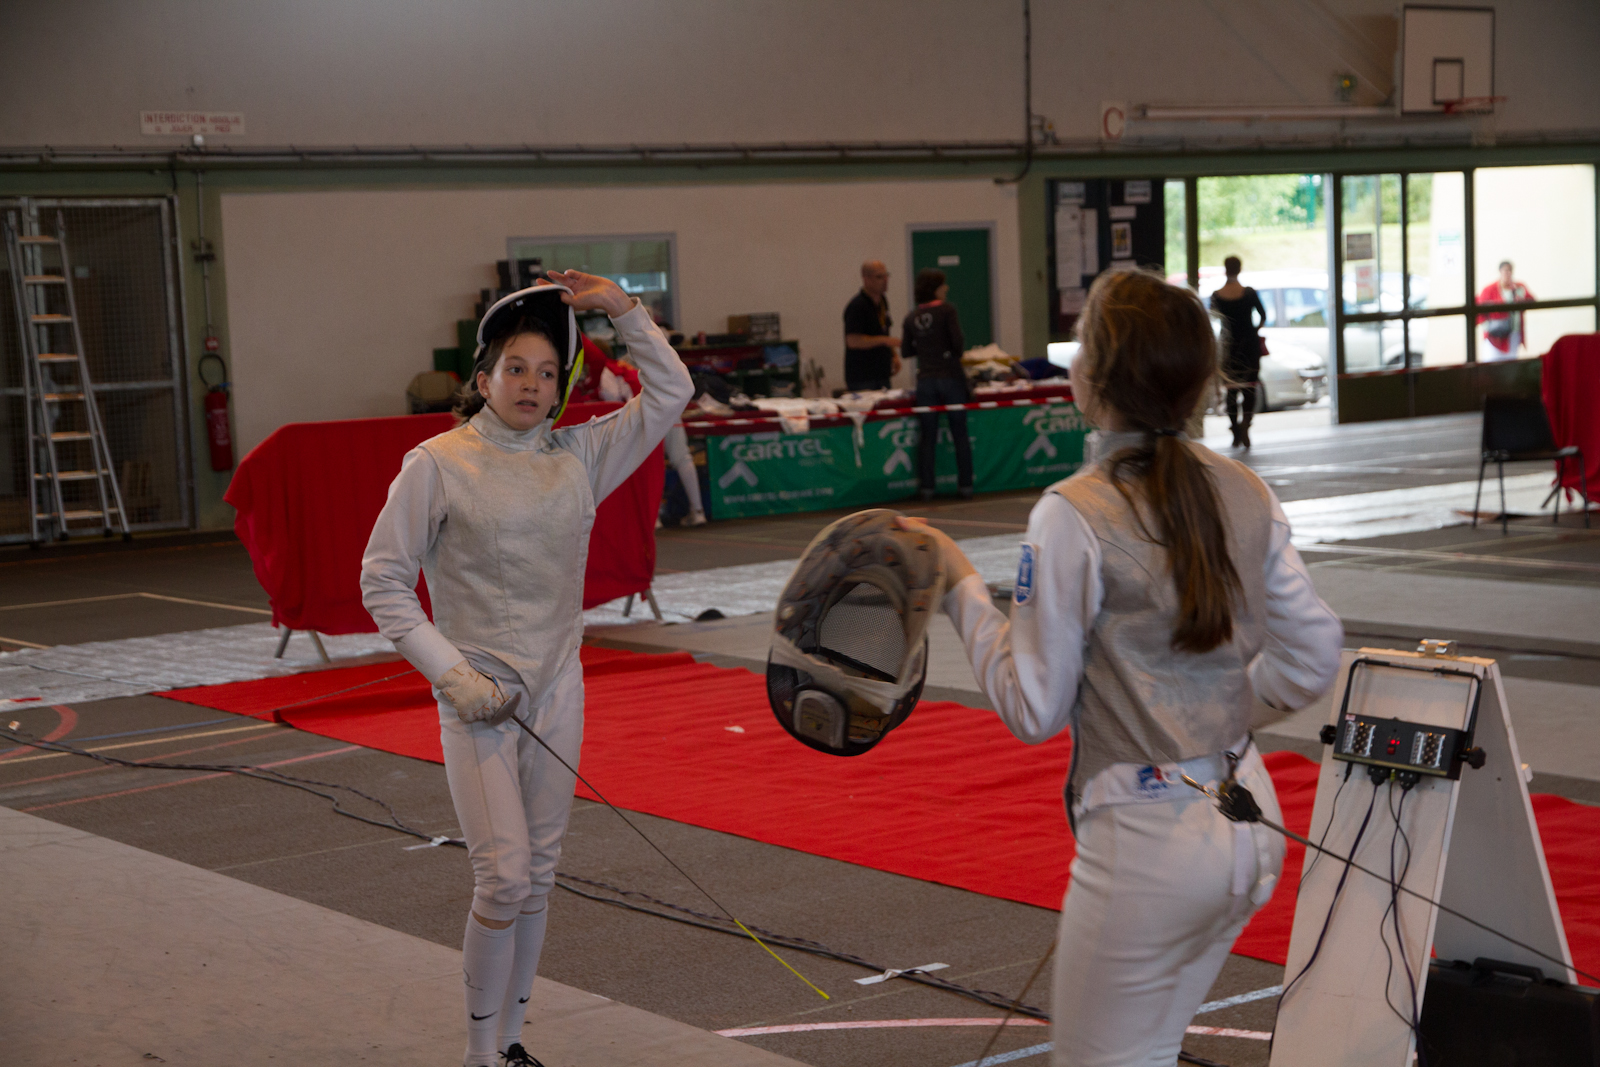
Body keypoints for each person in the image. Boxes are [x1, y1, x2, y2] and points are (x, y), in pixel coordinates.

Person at [910, 269, 1342, 1067]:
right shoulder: (1246, 488)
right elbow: (1313, 655)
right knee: (1145, 1051)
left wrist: (959, 586)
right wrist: (1212, 714)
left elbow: (1034, 706)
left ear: (1096, 375)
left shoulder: (1072, 510)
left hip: (1151, 845)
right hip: (1248, 825)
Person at [360, 270, 693, 1067]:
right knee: (504, 877)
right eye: (516, 368)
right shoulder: (436, 463)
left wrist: (624, 311)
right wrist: (451, 675)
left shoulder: (579, 455)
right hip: (476, 696)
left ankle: (509, 1045)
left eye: (547, 372)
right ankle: (480, 1055)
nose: (532, 384)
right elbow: (382, 579)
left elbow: (672, 391)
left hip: (557, 688)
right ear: (484, 378)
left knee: (538, 875)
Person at [902, 267, 973, 501]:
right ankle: (965, 485)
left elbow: (906, 350)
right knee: (959, 433)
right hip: (950, 376)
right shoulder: (947, 311)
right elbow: (958, 343)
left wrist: (926, 348)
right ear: (935, 288)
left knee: (927, 435)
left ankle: (927, 488)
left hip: (926, 378)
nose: (946, 288)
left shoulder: (911, 317)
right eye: (943, 285)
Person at [1208, 256, 1267, 449]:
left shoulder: (1217, 295)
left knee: (1231, 390)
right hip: (1249, 346)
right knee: (1250, 388)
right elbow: (1263, 316)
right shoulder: (1249, 293)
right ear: (1240, 269)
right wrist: (1253, 332)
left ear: (1225, 269)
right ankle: (1245, 426)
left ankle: (1235, 430)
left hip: (1229, 346)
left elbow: (1212, 320)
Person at [843, 260, 901, 391]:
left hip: (882, 373)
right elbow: (853, 341)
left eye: (886, 276)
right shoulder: (857, 306)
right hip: (863, 376)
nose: (885, 280)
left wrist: (893, 355)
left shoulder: (882, 302)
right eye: (879, 277)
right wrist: (885, 341)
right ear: (866, 279)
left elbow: (883, 331)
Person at [1477, 259, 1534, 362]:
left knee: (1511, 365)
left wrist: (1522, 301)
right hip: (1494, 337)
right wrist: (1487, 326)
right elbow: (1478, 310)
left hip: (1513, 334)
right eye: (1505, 270)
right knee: (1491, 366)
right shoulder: (1489, 289)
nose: (1507, 273)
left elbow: (1532, 302)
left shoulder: (1519, 288)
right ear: (1500, 271)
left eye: (1510, 270)